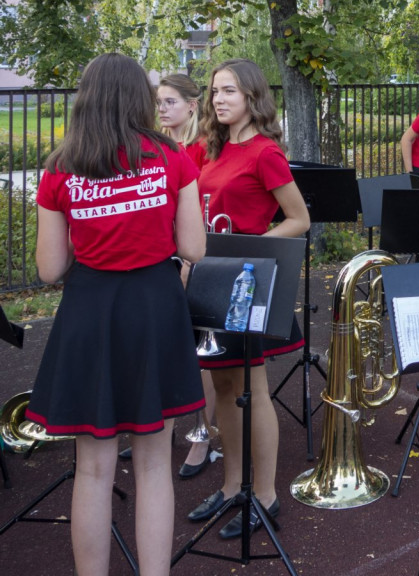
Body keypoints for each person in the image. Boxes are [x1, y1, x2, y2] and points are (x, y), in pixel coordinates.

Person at [27, 53, 206, 576]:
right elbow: (193, 248)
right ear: (138, 99)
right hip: (153, 307)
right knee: (154, 464)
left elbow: (49, 268)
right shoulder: (172, 157)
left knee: (93, 467)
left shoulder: (61, 166)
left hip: (90, 310)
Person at [187, 58, 311, 540]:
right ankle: (231, 484)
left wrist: (251, 254)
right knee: (220, 388)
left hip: (243, 283)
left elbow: (298, 219)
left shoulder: (265, 153)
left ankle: (264, 495)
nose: (218, 99)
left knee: (250, 390)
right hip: (207, 279)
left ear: (253, 98)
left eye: (229, 92)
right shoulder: (208, 149)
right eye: (215, 91)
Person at [157, 73, 219, 477]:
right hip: (163, 260)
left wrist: (189, 265)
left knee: (201, 354)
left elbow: (202, 213)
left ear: (192, 106)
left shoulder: (199, 149)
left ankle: (203, 437)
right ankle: (160, 431)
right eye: (159, 102)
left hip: (193, 259)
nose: (161, 108)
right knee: (164, 350)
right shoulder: (157, 146)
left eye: (169, 102)